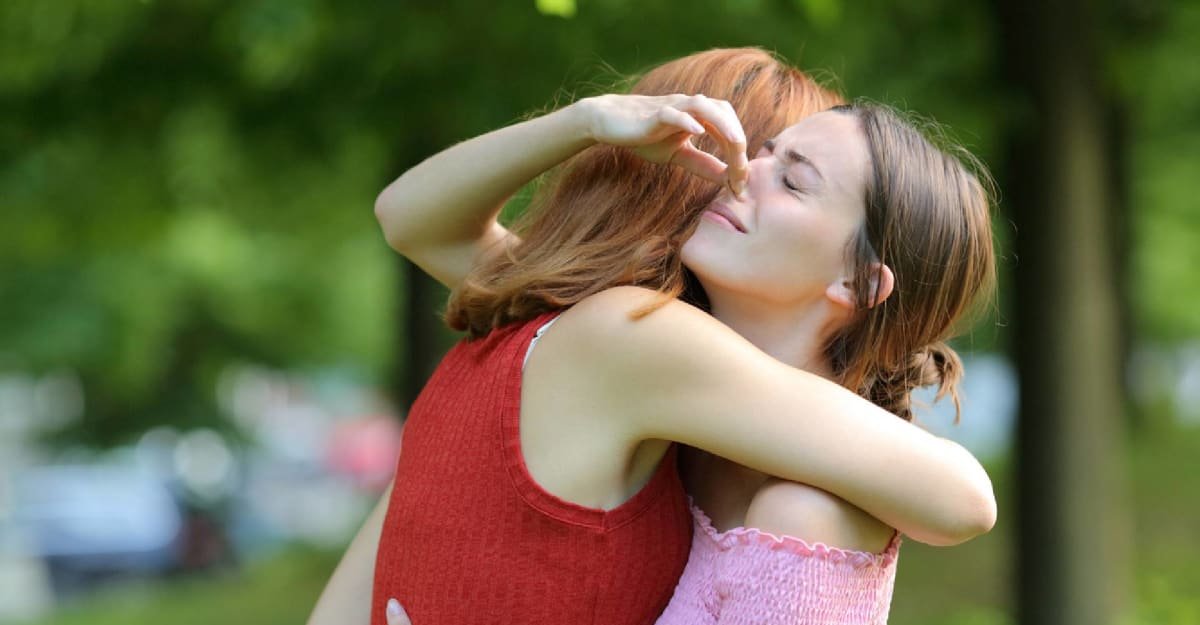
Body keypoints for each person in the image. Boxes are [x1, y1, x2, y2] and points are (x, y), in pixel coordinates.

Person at [307, 49, 996, 625]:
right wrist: (588, 121)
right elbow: (407, 219)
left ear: (858, 284)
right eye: (754, 153)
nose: (737, 173)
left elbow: (967, 496)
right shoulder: (631, 350)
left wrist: (587, 124)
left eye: (791, 179)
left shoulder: (636, 344)